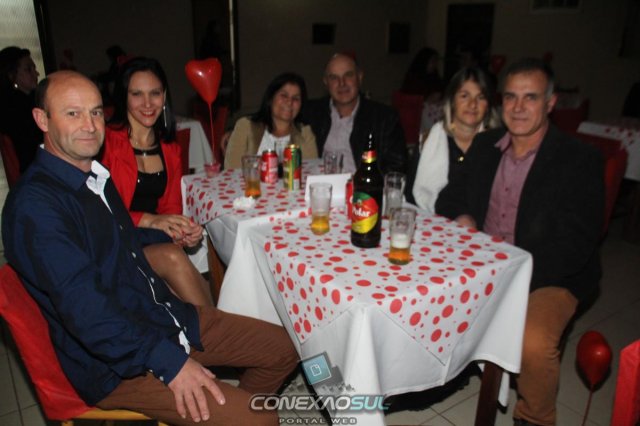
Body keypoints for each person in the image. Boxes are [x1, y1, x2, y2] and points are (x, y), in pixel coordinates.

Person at [1, 70, 298, 425]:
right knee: (261, 420)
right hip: (116, 362)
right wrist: (171, 364)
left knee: (287, 348)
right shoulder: (36, 207)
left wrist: (168, 235)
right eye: (73, 113)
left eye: (96, 112)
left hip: (160, 315)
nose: (89, 125)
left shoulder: (93, 176)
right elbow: (87, 313)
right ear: (42, 119)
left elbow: (117, 241)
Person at [436, 58, 604, 426]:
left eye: (530, 97)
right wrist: (464, 217)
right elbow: (449, 197)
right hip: (485, 263)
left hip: (550, 275)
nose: (518, 107)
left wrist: (512, 277)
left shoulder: (579, 160)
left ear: (550, 103)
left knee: (532, 341)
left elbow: (577, 244)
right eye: (511, 97)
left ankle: (535, 418)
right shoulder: (485, 145)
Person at [100, 57, 212, 306]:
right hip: (116, 244)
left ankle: (215, 326)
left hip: (153, 242)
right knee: (175, 262)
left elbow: (170, 208)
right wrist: (150, 220)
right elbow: (100, 210)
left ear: (165, 96)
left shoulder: (170, 149)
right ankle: (218, 327)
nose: (148, 103)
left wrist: (181, 231)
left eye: (155, 93)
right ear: (124, 97)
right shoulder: (105, 143)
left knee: (200, 289)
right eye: (137, 94)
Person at [303, 53, 407, 175]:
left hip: (362, 185)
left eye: (348, 75)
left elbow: (396, 168)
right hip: (321, 184)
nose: (342, 83)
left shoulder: (384, 118)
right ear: (326, 82)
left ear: (360, 77)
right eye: (334, 78)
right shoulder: (312, 112)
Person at [412, 67, 499, 214]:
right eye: (464, 96)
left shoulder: (497, 146)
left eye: (480, 97)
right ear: (452, 101)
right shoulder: (430, 142)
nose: (473, 104)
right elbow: (411, 197)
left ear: (488, 105)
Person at [225, 72, 317, 168]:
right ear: (271, 98)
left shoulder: (305, 134)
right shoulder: (245, 126)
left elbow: (311, 170)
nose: (289, 102)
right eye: (284, 95)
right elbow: (232, 169)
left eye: (295, 98)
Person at [0, 46, 42, 172]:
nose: (36, 73)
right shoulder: (14, 109)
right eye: (28, 69)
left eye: (34, 68)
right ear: (11, 75)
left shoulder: (32, 100)